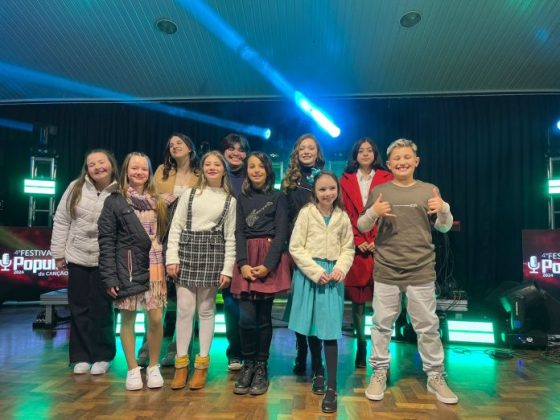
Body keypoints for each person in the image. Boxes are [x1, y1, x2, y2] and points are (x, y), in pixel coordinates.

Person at [357, 138, 458, 404]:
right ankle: (379, 371)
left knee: (427, 327)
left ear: (416, 161)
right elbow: (362, 225)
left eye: (407, 157)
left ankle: (435, 376)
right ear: (389, 164)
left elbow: (444, 227)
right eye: (397, 159)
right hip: (387, 268)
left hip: (421, 269)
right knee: (381, 325)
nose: (402, 162)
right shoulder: (380, 191)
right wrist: (374, 212)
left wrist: (444, 209)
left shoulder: (429, 190)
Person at [98, 152, 169, 391]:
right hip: (127, 267)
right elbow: (106, 240)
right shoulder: (115, 200)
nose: (139, 172)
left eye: (144, 169)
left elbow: (164, 235)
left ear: (149, 173)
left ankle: (154, 366)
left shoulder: (158, 201)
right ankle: (132, 369)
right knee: (128, 319)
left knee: (156, 318)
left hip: (155, 268)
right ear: (126, 171)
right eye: (134, 168)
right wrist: (110, 276)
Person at [166, 151, 236, 390]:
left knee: (206, 310)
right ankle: (181, 364)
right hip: (186, 251)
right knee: (184, 311)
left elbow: (230, 238)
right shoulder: (190, 194)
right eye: (208, 163)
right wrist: (171, 258)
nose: (212, 167)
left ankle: (202, 364)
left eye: (217, 164)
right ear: (203, 168)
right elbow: (176, 227)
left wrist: (227, 269)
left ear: (224, 169)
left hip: (213, 254)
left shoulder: (230, 200)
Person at [288, 171, 355, 413]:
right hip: (310, 274)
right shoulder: (307, 213)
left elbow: (348, 248)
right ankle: (318, 369)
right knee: (312, 326)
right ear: (315, 192)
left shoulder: (342, 216)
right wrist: (315, 272)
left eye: (331, 188)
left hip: (333, 277)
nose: (327, 193)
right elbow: (296, 247)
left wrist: (340, 269)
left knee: (330, 330)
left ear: (338, 190)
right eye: (322, 189)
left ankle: (332, 388)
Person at [50, 149, 119, 375]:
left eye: (102, 162)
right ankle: (80, 357)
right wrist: (58, 253)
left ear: (111, 164)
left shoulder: (120, 190)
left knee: (102, 308)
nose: (98, 167)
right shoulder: (75, 187)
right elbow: (62, 220)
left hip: (105, 259)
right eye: (92, 164)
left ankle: (103, 356)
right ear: (86, 169)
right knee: (78, 307)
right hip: (77, 256)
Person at [136, 133, 200, 367]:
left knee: (187, 301)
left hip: (191, 241)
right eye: (171, 144)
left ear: (190, 147)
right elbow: (147, 198)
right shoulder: (162, 170)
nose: (174, 146)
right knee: (155, 297)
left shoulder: (200, 174)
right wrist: (159, 198)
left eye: (179, 143)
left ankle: (178, 350)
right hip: (161, 238)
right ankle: (146, 349)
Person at [231, 152, 291, 396]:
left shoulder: (278, 197)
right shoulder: (241, 198)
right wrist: (243, 263)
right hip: (246, 259)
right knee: (246, 319)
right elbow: (238, 232)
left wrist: (268, 265)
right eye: (251, 166)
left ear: (268, 170)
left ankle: (261, 366)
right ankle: (248, 364)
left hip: (268, 259)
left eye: (260, 166)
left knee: (264, 319)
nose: (256, 170)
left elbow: (281, 233)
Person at [340, 137, 393, 368]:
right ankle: (361, 344)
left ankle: (381, 351)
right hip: (356, 246)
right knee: (358, 302)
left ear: (375, 153)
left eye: (369, 150)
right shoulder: (345, 179)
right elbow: (343, 213)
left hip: (381, 246)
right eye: (360, 150)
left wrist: (376, 240)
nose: (365, 153)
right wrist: (357, 239)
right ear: (355, 154)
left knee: (383, 303)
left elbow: (390, 212)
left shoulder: (386, 177)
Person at [282, 133, 325, 376]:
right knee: (300, 304)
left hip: (320, 248)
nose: (306, 152)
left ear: (318, 152)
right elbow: (285, 216)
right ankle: (301, 352)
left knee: (316, 307)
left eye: (311, 148)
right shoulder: (289, 181)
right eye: (302, 148)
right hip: (297, 249)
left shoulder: (325, 178)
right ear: (296, 153)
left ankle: (317, 359)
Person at [219, 133, 250, 371]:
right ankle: (235, 353)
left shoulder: (252, 175)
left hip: (250, 244)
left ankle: (253, 353)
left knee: (250, 303)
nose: (236, 153)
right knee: (230, 303)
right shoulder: (217, 176)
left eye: (241, 149)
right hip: (223, 245)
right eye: (231, 148)